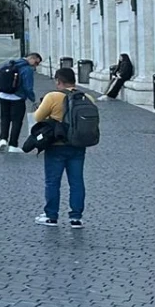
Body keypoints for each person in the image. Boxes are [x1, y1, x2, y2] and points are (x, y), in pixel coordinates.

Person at [31, 67, 89, 229]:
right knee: (77, 182)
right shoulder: (87, 97)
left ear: (58, 81)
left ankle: (51, 216)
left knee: (53, 182)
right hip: (78, 145)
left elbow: (37, 117)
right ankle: (76, 218)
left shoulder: (53, 96)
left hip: (56, 145)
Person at [0, 51, 40, 154]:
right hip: (18, 97)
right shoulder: (27, 69)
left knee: (4, 118)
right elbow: (28, 87)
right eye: (36, 63)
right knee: (16, 121)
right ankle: (13, 145)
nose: (36, 66)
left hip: (3, 95)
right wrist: (32, 98)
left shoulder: (9, 63)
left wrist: (1, 89)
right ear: (31, 58)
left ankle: (3, 139)